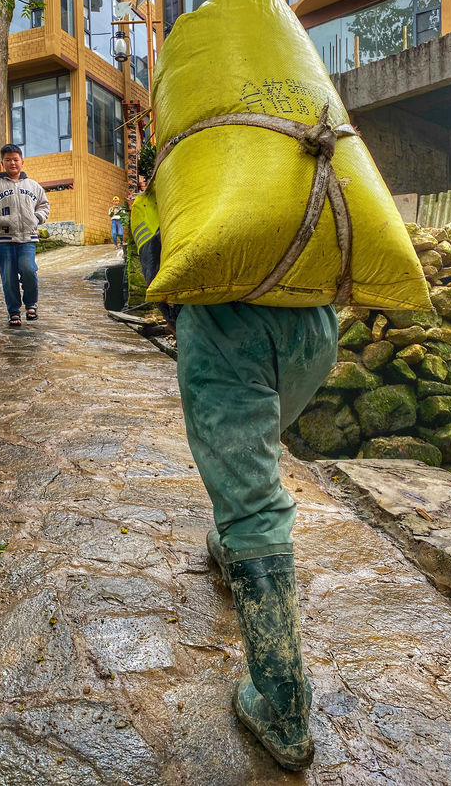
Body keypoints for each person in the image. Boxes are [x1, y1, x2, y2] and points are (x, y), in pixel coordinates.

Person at [137, 225, 337, 769]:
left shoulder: (192, 161)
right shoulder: (291, 150)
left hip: (228, 322)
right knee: (255, 450)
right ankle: (233, 551)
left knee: (251, 503)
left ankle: (283, 709)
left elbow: (158, 251)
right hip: (314, 325)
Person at [0, 144, 49, 327]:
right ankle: (14, 311)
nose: (12, 163)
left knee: (29, 270)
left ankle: (31, 304)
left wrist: (37, 218)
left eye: (16, 159)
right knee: (8, 277)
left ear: (22, 162)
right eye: (8, 160)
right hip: (5, 239)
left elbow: (44, 205)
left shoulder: (33, 186)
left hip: (28, 238)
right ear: (2, 163)